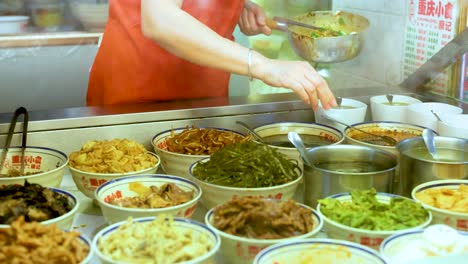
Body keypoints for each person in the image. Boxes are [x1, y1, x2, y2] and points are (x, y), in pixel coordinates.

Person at [87, 0, 337, 110]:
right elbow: (160, 20)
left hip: (202, 99)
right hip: (136, 97)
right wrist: (264, 65)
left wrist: (237, 5)